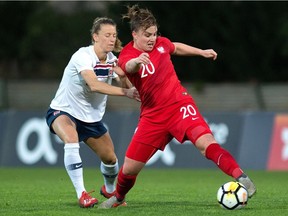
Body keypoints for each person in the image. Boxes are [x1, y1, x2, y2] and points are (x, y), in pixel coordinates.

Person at [99, 5, 256, 209]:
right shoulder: (128, 55)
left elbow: (175, 46)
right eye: (147, 35)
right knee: (129, 169)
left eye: (154, 34)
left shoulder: (161, 44)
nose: (152, 39)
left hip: (179, 106)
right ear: (134, 34)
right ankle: (118, 198)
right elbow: (129, 67)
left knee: (206, 143)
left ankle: (242, 178)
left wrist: (201, 52)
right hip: (153, 116)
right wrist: (137, 61)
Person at [45, 17, 139, 208]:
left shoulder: (113, 60)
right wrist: (126, 92)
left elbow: (127, 85)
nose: (112, 39)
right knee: (71, 140)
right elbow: (94, 85)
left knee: (111, 160)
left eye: (114, 35)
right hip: (64, 110)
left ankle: (109, 189)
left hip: (91, 119)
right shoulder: (83, 56)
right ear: (95, 37)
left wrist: (123, 78)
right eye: (107, 35)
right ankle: (82, 194)